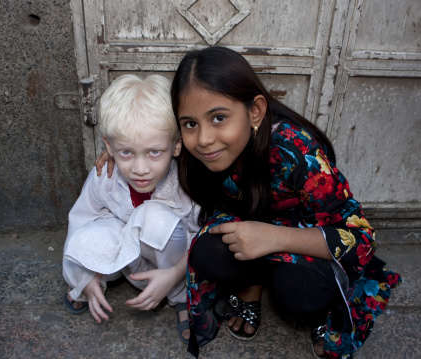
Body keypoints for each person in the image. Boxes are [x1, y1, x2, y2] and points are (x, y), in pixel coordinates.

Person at [97, 47, 401, 358]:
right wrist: (125, 148)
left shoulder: (297, 153)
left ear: (254, 111)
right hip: (246, 229)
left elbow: (361, 239)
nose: (203, 139)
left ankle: (309, 305)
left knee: (302, 295)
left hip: (303, 234)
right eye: (190, 124)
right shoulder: (196, 146)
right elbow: (156, 137)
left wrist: (271, 237)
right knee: (207, 253)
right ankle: (250, 285)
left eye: (219, 118)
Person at [63, 74, 200, 344]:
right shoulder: (105, 175)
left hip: (166, 263)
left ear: (176, 145)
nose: (139, 169)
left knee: (157, 217)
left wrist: (175, 276)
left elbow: (201, 238)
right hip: (122, 256)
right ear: (108, 146)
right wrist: (84, 276)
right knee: (87, 238)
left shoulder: (186, 182)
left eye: (153, 152)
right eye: (126, 152)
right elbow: (80, 222)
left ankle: (180, 297)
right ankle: (91, 284)